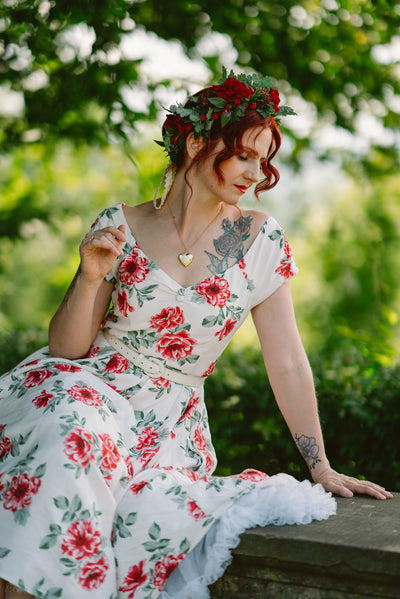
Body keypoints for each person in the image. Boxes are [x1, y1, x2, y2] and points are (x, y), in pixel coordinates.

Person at [0, 69, 392, 599]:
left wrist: (318, 465)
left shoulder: (260, 238)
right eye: (244, 155)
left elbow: (288, 360)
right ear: (195, 142)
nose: (256, 172)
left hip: (167, 423)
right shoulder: (120, 223)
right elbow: (68, 348)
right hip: (88, 388)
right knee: (71, 433)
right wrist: (91, 275)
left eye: (264, 159)